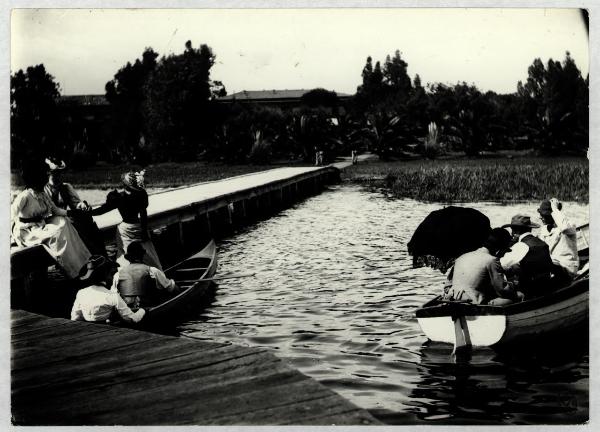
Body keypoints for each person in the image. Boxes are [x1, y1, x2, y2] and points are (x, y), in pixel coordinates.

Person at [11, 159, 91, 278]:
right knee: (58, 231)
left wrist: (74, 212)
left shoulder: (42, 194)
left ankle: (85, 262)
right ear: (35, 178)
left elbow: (56, 211)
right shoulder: (25, 196)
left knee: (64, 222)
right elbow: (10, 216)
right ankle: (73, 270)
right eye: (44, 175)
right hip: (27, 232)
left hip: (40, 226)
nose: (46, 177)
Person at [91, 170, 162, 270]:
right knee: (147, 252)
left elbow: (103, 210)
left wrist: (89, 212)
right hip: (138, 226)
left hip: (126, 229)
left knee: (124, 254)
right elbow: (143, 214)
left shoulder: (119, 197)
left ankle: (125, 273)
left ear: (124, 184)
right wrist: (144, 230)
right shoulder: (141, 195)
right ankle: (154, 272)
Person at [44, 157, 107, 256]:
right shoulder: (44, 190)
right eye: (55, 173)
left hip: (65, 218)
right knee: (76, 226)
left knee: (87, 219)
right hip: (51, 222)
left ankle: (99, 254)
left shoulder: (65, 187)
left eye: (60, 173)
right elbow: (48, 211)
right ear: (48, 174)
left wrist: (81, 205)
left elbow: (75, 204)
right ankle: (87, 255)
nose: (59, 176)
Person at [443, 228, 523, 305]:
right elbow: (502, 290)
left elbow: (448, 285)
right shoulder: (492, 260)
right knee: (519, 295)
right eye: (504, 251)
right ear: (498, 250)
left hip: (452, 300)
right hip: (473, 302)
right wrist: (514, 285)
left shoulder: (462, 257)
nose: (503, 255)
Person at [71, 255, 146, 323]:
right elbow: (132, 319)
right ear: (106, 275)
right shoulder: (112, 296)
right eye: (110, 273)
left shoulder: (81, 293)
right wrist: (143, 310)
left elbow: (75, 318)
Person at [500, 214, 555, 298]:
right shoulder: (542, 243)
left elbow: (501, 265)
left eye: (512, 229)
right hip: (547, 286)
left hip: (530, 291)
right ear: (530, 228)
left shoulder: (521, 246)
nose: (512, 233)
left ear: (516, 230)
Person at [117, 241, 180, 309]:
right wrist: (177, 288)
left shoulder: (119, 273)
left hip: (128, 310)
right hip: (149, 308)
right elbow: (172, 288)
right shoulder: (152, 271)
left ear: (129, 258)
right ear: (142, 255)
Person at [537, 198, 579, 280]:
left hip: (566, 267)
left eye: (543, 215)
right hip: (552, 267)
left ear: (551, 215)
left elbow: (564, 227)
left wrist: (555, 210)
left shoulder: (568, 225)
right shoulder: (544, 229)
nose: (540, 217)